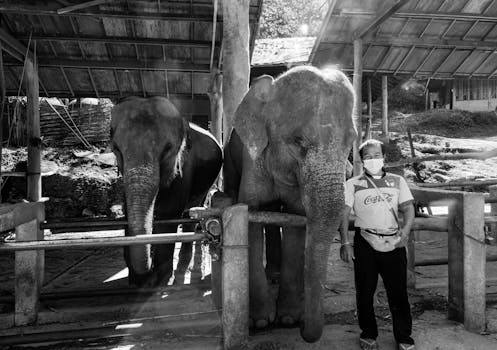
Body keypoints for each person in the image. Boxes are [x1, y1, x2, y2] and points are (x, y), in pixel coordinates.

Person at [340, 139, 415, 350]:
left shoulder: (397, 181)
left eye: (376, 156)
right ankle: (368, 333)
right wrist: (345, 242)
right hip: (365, 242)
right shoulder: (352, 184)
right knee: (364, 292)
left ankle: (403, 337)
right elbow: (344, 213)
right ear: (362, 161)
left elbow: (408, 209)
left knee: (398, 292)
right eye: (368, 157)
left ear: (384, 158)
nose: (373, 160)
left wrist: (406, 231)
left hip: (394, 242)